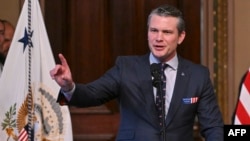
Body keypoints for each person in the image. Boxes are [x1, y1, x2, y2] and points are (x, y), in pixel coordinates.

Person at [50, 4, 224, 141]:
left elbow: (213, 127)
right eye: (154, 30)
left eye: (167, 32)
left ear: (181, 37)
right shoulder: (126, 67)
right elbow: (91, 95)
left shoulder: (198, 75)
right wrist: (69, 87)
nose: (158, 38)